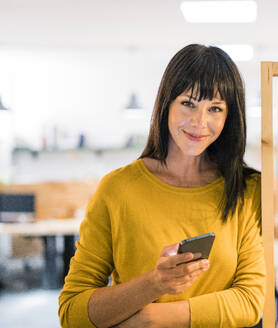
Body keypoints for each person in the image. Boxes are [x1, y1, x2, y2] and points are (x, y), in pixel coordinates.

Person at [58, 44, 265, 328]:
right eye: (188, 103)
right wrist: (155, 283)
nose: (199, 122)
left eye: (214, 108)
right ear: (166, 103)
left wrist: (149, 319)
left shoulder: (247, 189)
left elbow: (251, 301)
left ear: (229, 117)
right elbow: (73, 313)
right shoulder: (117, 189)